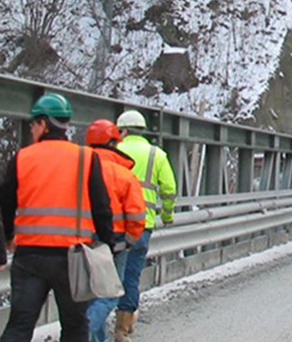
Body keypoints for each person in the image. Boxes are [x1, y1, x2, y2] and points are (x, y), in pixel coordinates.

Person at [0, 93, 114, 342]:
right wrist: (108, 244)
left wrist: (9, 236)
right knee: (74, 327)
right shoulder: (86, 157)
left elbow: (6, 205)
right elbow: (102, 208)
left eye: (32, 125)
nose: (31, 130)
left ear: (43, 124)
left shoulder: (21, 158)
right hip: (73, 258)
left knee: (19, 325)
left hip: (30, 256)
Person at [114, 110, 177, 342]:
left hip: (115, 225)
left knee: (107, 275)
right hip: (143, 224)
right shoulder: (156, 154)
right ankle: (122, 329)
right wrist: (167, 214)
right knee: (131, 275)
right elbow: (169, 189)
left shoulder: (114, 151)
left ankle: (96, 323)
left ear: (123, 130)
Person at [85, 119, 146, 342]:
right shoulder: (123, 174)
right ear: (113, 143)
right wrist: (129, 240)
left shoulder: (79, 169)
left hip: (82, 239)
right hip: (115, 241)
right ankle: (84, 333)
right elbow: (137, 213)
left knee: (90, 294)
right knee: (109, 294)